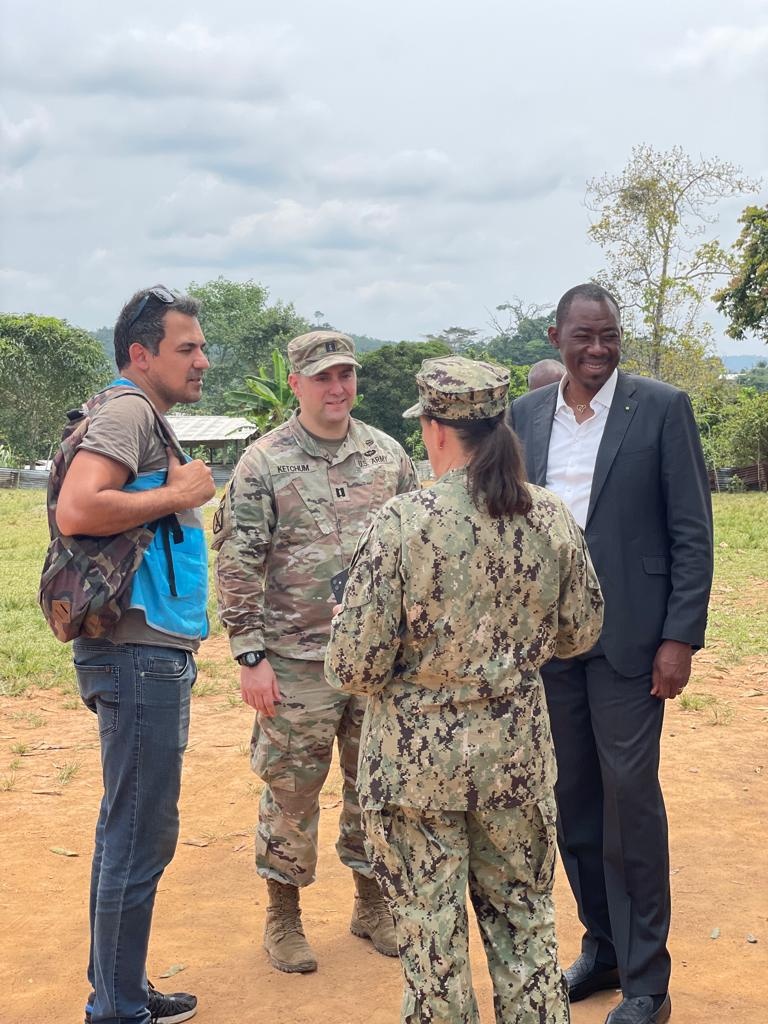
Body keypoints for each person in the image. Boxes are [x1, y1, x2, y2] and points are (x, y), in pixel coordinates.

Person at [326, 356, 604, 1024]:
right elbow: (581, 633)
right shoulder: (551, 517)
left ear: (437, 429)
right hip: (516, 767)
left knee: (433, 953)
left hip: (415, 778)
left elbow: (353, 668)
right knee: (529, 938)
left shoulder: (402, 523)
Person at [508, 283, 713, 1024]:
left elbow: (692, 531)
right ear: (556, 335)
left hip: (632, 644)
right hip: (549, 647)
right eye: (584, 337)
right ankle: (602, 947)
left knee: (631, 802)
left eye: (610, 336)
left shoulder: (660, 409)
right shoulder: (525, 416)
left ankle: (647, 982)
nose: (598, 350)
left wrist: (678, 638)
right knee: (572, 802)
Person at [212, 330, 419, 974]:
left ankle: (370, 904)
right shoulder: (263, 463)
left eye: (346, 375)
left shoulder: (388, 457)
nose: (337, 388)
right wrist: (251, 655)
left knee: (374, 787)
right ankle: (283, 916)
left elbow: (412, 553)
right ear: (297, 383)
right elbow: (238, 562)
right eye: (323, 377)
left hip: (372, 665)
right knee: (291, 789)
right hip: (294, 663)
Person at [55, 285, 216, 1024]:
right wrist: (178, 490)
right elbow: (80, 507)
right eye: (186, 348)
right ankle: (117, 1007)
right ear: (141, 354)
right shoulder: (127, 413)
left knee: (127, 827)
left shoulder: (137, 414)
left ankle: (117, 985)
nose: (202, 360)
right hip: (136, 653)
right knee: (139, 834)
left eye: (201, 346)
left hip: (140, 650)